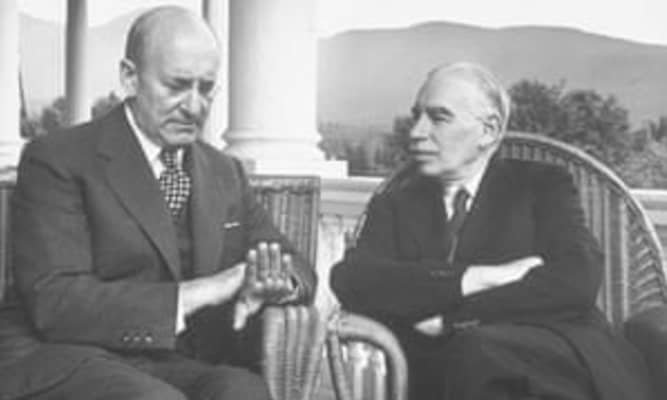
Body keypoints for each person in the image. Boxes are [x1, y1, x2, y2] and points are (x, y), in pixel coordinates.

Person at [0, 6, 316, 400]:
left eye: (206, 88)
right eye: (177, 85)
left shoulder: (224, 172)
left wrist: (273, 284)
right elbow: (57, 302)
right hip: (63, 355)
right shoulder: (57, 158)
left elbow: (297, 266)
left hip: (172, 363)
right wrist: (200, 292)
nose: (194, 106)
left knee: (244, 392)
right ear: (129, 77)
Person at [330, 62, 654, 400]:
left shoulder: (541, 185)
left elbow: (576, 279)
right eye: (417, 116)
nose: (417, 132)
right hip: (447, 378)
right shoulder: (395, 204)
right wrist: (477, 278)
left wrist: (453, 319)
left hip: (551, 365)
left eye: (439, 118)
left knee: (480, 351)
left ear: (488, 130)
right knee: (475, 356)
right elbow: (352, 279)